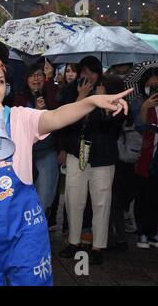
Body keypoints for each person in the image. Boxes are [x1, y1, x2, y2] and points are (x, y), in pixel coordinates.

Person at [0, 53, 131, 286]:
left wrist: (90, 102)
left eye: (0, 81)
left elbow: (57, 116)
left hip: (23, 227)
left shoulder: (19, 117)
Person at [58, 56, 126, 265]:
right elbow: (63, 121)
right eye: (83, 72)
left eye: (92, 72)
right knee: (73, 199)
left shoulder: (112, 88)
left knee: (101, 201)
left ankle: (98, 246)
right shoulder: (71, 91)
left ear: (99, 73)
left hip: (103, 155)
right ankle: (73, 241)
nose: (87, 76)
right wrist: (81, 99)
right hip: (76, 152)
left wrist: (104, 102)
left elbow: (117, 124)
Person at [12, 62, 61, 214]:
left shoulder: (51, 93)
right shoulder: (19, 98)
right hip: (26, 153)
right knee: (24, 194)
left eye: (39, 75)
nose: (36, 79)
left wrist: (51, 81)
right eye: (32, 76)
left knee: (45, 195)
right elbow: (17, 124)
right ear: (26, 79)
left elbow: (59, 115)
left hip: (47, 151)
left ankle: (41, 227)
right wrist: (35, 111)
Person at [130, 68, 158, 248]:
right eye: (151, 85)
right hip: (143, 154)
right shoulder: (137, 100)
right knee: (143, 194)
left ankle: (153, 231)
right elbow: (138, 126)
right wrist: (145, 108)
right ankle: (142, 231)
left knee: (155, 194)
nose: (154, 89)